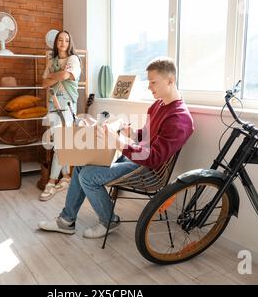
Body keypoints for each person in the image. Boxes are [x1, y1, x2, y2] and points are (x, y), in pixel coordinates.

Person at [38, 57, 194, 238]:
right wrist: (129, 132)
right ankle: (66, 221)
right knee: (81, 163)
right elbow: (147, 136)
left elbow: (153, 158)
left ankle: (109, 221)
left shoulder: (179, 118)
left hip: (148, 170)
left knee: (88, 176)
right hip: (134, 158)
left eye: (153, 82)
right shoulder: (158, 105)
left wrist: (119, 143)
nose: (149, 87)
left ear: (170, 81)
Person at [40, 30, 81, 201]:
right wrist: (58, 75)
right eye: (60, 40)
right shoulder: (52, 61)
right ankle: (65, 177)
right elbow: (44, 83)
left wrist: (53, 76)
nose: (63, 42)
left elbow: (66, 75)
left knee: (60, 143)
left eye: (66, 40)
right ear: (56, 43)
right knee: (60, 142)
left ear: (69, 43)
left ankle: (51, 182)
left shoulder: (73, 60)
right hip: (53, 104)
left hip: (67, 105)